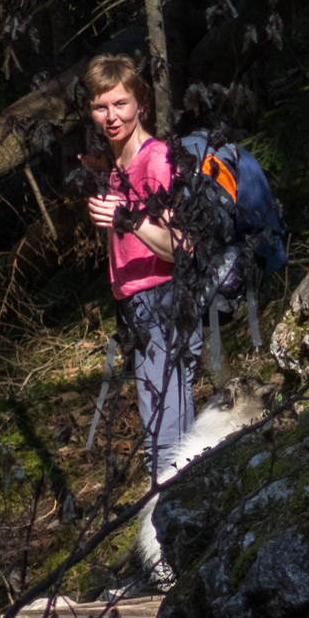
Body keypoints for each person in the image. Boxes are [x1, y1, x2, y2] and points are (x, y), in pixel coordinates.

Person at [83, 54, 200, 477]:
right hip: (137, 308)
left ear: (141, 105)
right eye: (101, 107)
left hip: (165, 302)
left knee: (168, 446)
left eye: (120, 104)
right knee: (161, 438)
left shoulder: (157, 161)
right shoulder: (116, 169)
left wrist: (128, 220)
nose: (111, 117)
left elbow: (180, 246)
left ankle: (181, 532)